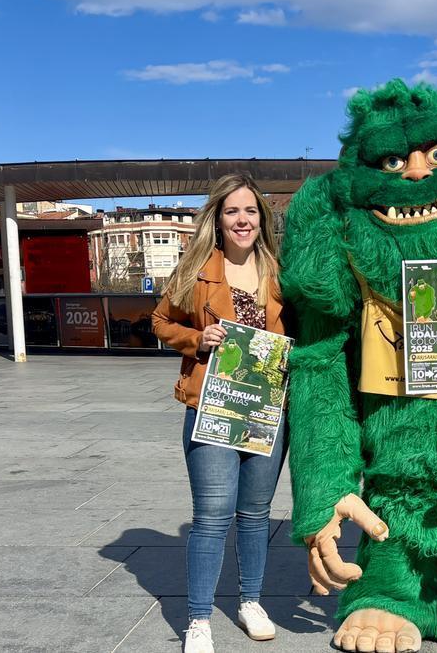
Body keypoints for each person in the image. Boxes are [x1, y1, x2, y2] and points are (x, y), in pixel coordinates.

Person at [152, 173, 291, 653]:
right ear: (218, 217)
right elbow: (159, 320)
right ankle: (198, 620)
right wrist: (196, 339)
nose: (242, 220)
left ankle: (251, 600)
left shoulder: (280, 271)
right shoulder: (196, 270)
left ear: (261, 219)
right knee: (211, 516)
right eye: (232, 211)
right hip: (212, 407)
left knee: (255, 514)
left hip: (267, 408)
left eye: (250, 211)